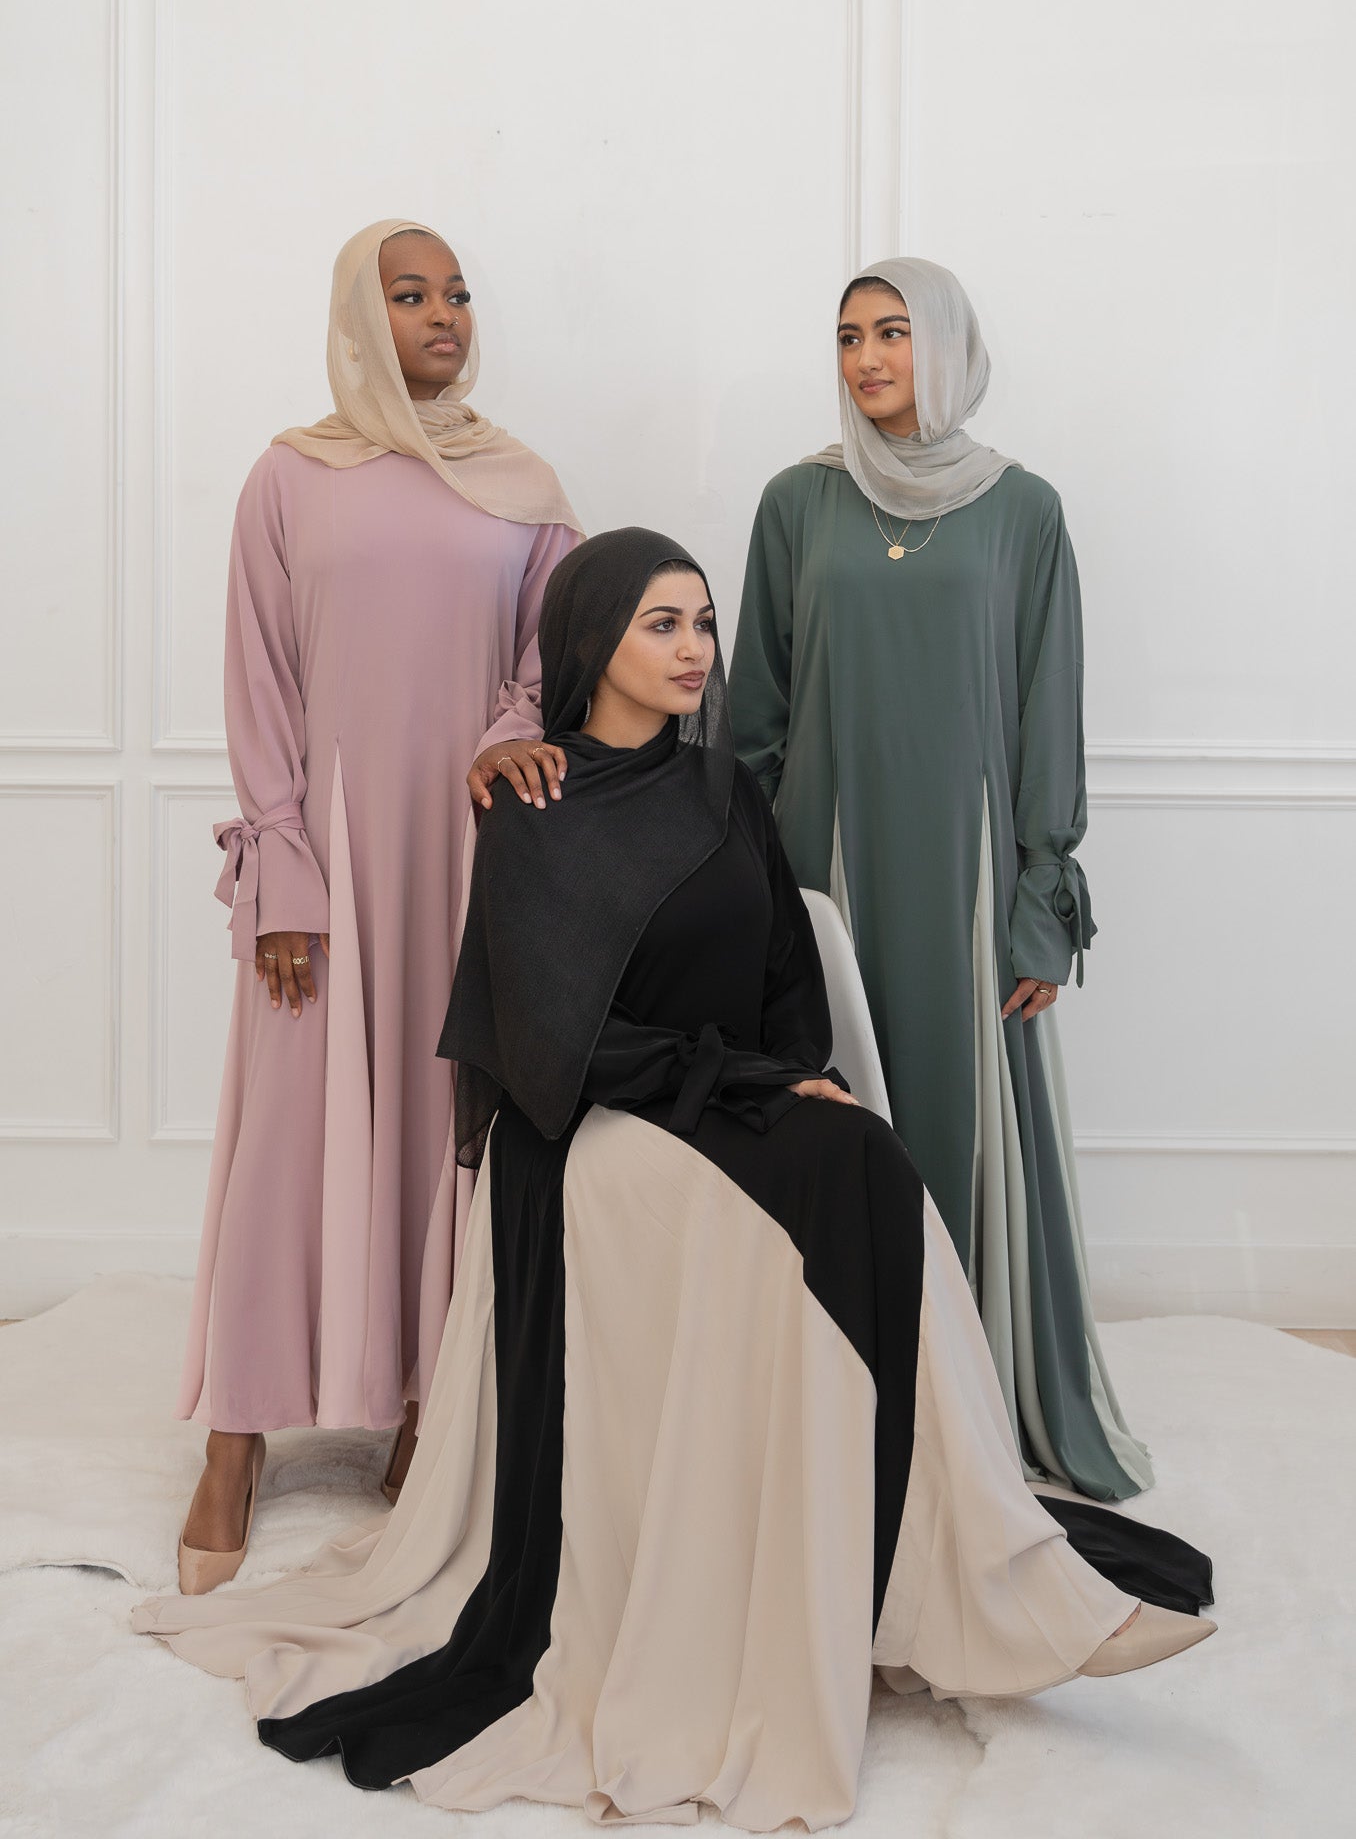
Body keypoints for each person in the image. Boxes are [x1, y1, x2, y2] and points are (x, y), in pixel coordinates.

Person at [135, 529, 1213, 1830]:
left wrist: (786, 1076)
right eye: (662, 623)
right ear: (594, 641)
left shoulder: (724, 792)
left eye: (703, 621)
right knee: (838, 1179)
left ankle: (966, 1563)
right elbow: (550, 1040)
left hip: (714, 1097)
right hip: (583, 1128)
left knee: (868, 1165)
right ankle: (984, 1582)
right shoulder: (530, 802)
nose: (696, 646)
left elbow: (785, 984)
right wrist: (738, 1084)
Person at [174, 220, 582, 1590]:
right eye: (410, 295)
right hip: (331, 859)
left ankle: (425, 1407)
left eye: (457, 294)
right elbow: (259, 679)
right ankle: (235, 1436)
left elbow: (555, 654)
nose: (443, 315)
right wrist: (283, 867)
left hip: (467, 855)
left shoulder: (524, 486)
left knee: (447, 1122)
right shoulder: (289, 478)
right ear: (362, 316)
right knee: (286, 1132)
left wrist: (511, 734)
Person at [728, 257, 1150, 1502]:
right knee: (835, 1120)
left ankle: (966, 1406)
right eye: (849, 335)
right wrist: (757, 898)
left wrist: (1040, 904)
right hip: (826, 874)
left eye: (894, 332)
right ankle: (846, 1400)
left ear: (949, 347)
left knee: (961, 1130)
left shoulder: (1025, 511)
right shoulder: (797, 501)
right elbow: (754, 719)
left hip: (964, 882)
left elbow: (1047, 713)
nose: (867, 357)